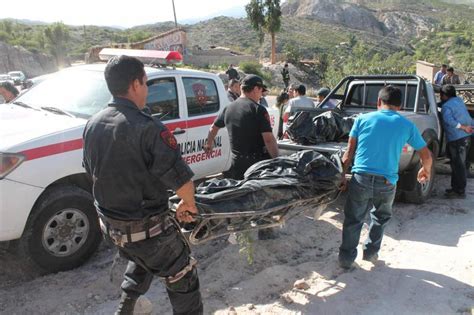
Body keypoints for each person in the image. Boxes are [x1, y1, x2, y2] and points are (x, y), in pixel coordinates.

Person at [82, 55, 203, 315]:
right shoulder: (148, 128)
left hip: (113, 229)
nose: (147, 90)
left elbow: (92, 173)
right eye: (146, 83)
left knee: (141, 258)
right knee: (183, 273)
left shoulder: (94, 123)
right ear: (136, 84)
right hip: (147, 230)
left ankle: (125, 310)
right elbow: (182, 182)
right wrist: (188, 204)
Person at [338, 85, 432, 269]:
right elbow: (426, 154)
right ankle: (371, 254)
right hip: (387, 182)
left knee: (353, 219)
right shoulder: (406, 125)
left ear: (378, 102)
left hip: (361, 178)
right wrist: (425, 170)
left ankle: (346, 260)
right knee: (380, 218)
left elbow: (348, 153)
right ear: (400, 106)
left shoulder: (362, 119)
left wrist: (342, 175)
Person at [204, 74, 279, 240]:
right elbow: (268, 139)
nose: (261, 95)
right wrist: (277, 160)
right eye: (261, 91)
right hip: (256, 162)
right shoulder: (258, 110)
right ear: (255, 89)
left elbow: (212, 128)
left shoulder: (229, 108)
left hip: (237, 162)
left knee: (239, 196)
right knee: (261, 196)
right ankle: (264, 230)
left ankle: (240, 231)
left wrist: (209, 144)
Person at [440, 85, 473, 198]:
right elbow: (467, 117)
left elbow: (448, 120)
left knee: (458, 165)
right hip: (466, 136)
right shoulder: (459, 101)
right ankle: (455, 188)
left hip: (457, 138)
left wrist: (463, 127)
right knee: (457, 164)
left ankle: (459, 191)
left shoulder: (446, 106)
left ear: (444, 95)